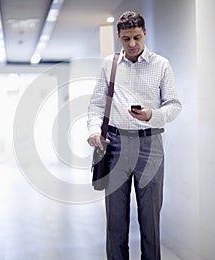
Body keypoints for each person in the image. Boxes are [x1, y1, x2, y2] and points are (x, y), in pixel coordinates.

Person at [87, 10, 182, 260]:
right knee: (115, 222)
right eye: (126, 38)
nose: (132, 44)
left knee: (150, 221)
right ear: (119, 36)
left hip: (150, 145)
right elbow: (97, 105)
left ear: (145, 34)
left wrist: (152, 114)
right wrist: (94, 130)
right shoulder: (110, 64)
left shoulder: (161, 65)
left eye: (137, 38)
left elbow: (174, 105)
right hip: (115, 144)